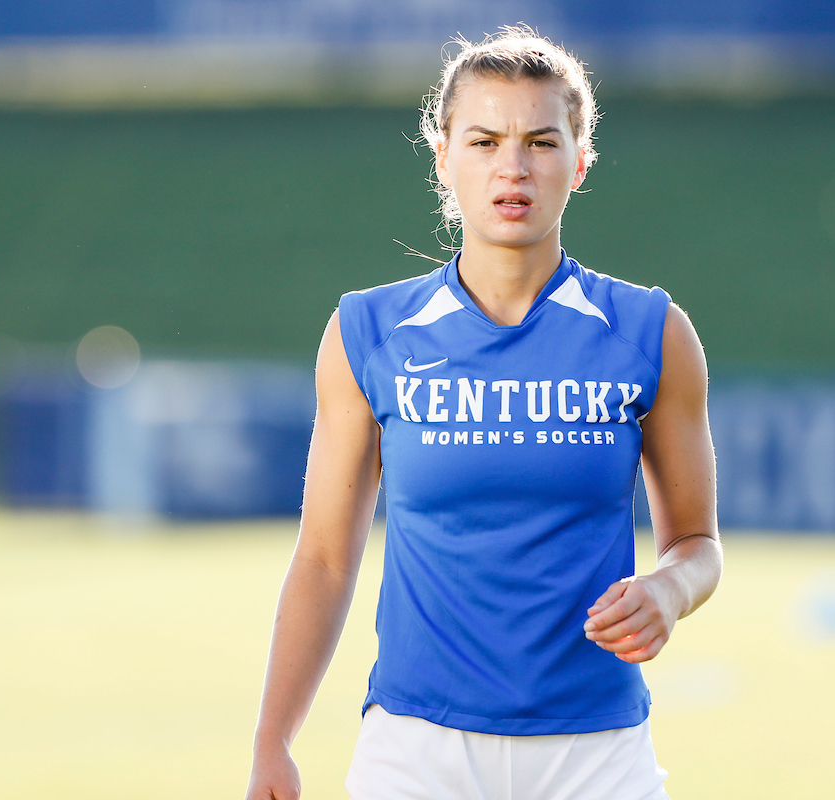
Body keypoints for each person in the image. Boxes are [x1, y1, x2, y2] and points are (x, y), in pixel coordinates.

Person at [245, 26, 723, 800]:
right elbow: (326, 559)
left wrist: (667, 592)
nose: (513, 166)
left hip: (597, 753)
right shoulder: (369, 332)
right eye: (484, 140)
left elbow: (697, 544)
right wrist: (274, 741)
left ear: (580, 159)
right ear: (443, 157)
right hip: (416, 749)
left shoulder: (650, 331)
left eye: (541, 140)